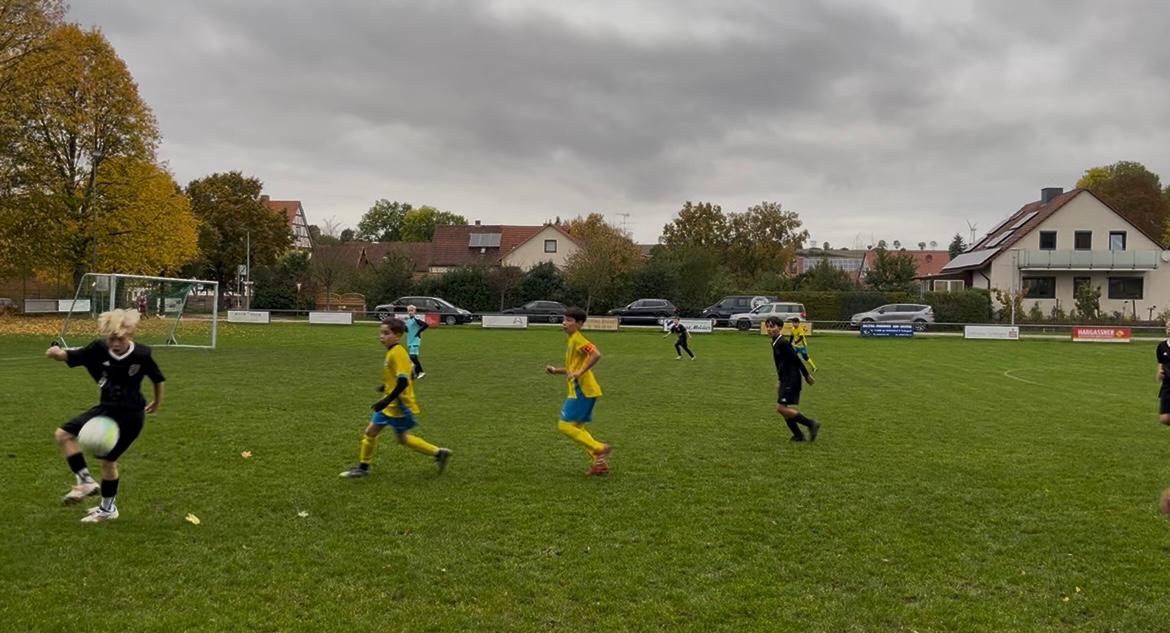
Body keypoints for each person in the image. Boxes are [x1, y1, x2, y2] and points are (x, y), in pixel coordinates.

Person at [45, 308, 165, 523]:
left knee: (109, 462)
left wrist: (156, 402)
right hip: (106, 409)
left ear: (130, 335)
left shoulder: (142, 355)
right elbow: (70, 355)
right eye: (111, 339)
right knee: (63, 435)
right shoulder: (98, 349)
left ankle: (107, 510)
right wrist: (56, 354)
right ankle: (85, 482)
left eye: (120, 339)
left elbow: (157, 379)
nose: (115, 344)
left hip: (131, 416)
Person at [339, 317, 450, 478]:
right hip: (391, 403)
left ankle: (438, 452)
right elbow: (407, 375)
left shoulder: (397, 353)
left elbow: (403, 382)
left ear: (397, 335)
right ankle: (363, 467)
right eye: (381, 333)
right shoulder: (393, 351)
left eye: (386, 333)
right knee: (372, 432)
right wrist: (385, 387)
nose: (381, 336)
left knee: (399, 438)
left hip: (397, 405)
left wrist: (386, 400)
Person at [545, 307, 611, 475]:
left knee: (564, 426)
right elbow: (572, 368)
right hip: (584, 390)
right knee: (578, 430)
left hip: (582, 390)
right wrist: (555, 371)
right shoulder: (573, 339)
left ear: (580, 324)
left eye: (569, 320)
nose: (564, 323)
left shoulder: (578, 339)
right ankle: (600, 463)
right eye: (564, 319)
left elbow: (596, 354)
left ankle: (599, 448)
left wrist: (580, 372)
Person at [765, 316, 820, 442]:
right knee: (783, 408)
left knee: (781, 408)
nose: (769, 329)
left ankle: (811, 424)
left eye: (772, 326)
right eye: (767, 326)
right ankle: (798, 435)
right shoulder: (775, 342)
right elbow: (780, 364)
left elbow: (796, 359)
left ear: (780, 328)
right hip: (785, 378)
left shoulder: (783, 343)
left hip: (791, 378)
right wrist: (780, 380)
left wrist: (806, 375)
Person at [404, 304, 428, 378]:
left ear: (415, 311)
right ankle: (416, 373)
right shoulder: (408, 321)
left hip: (415, 340)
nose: (410, 312)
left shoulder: (416, 319)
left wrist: (418, 332)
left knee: (412, 357)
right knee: (413, 357)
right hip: (410, 341)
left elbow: (425, 325)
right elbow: (407, 330)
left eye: (412, 310)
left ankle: (421, 372)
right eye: (409, 311)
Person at [1156, 321, 1170, 425]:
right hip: (1167, 385)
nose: (1169, 329)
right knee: (1164, 418)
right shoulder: (1161, 346)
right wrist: (1159, 373)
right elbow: (1161, 363)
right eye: (1167, 327)